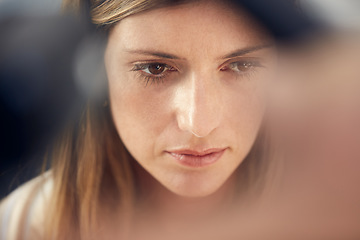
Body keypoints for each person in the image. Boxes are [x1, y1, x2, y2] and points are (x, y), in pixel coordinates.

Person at [0, 0, 279, 239]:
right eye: (155, 68)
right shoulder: (21, 227)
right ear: (94, 70)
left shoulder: (321, 220)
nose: (199, 124)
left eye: (242, 66)